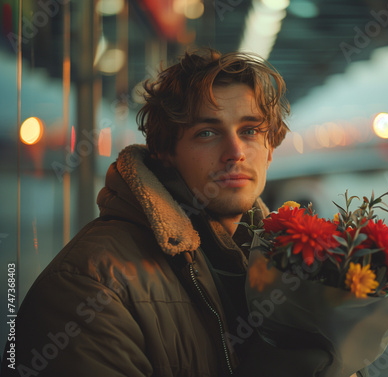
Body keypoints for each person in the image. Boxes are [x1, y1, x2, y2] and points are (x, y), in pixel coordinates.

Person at [1, 49, 365, 377]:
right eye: (207, 132)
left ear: (271, 147)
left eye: (250, 130)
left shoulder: (278, 261)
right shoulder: (89, 287)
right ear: (165, 151)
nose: (235, 151)